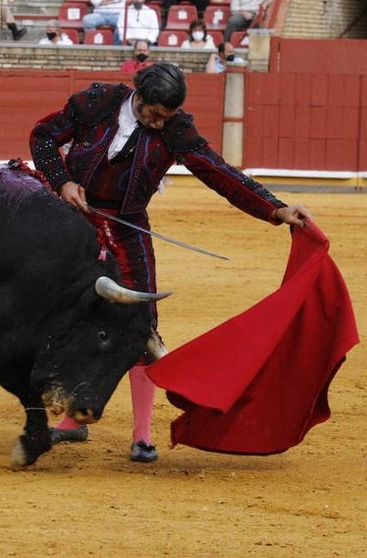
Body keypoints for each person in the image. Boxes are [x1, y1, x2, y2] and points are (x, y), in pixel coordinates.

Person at [30, 63, 311, 462]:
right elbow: (43, 138)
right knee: (74, 322)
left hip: (127, 229)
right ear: (138, 97)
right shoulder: (96, 103)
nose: (160, 124)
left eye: (167, 117)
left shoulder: (178, 130)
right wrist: (62, 181)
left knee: (141, 327)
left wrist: (275, 208)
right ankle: (74, 419)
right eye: (154, 115)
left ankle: (142, 434)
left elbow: (220, 173)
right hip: (72, 226)